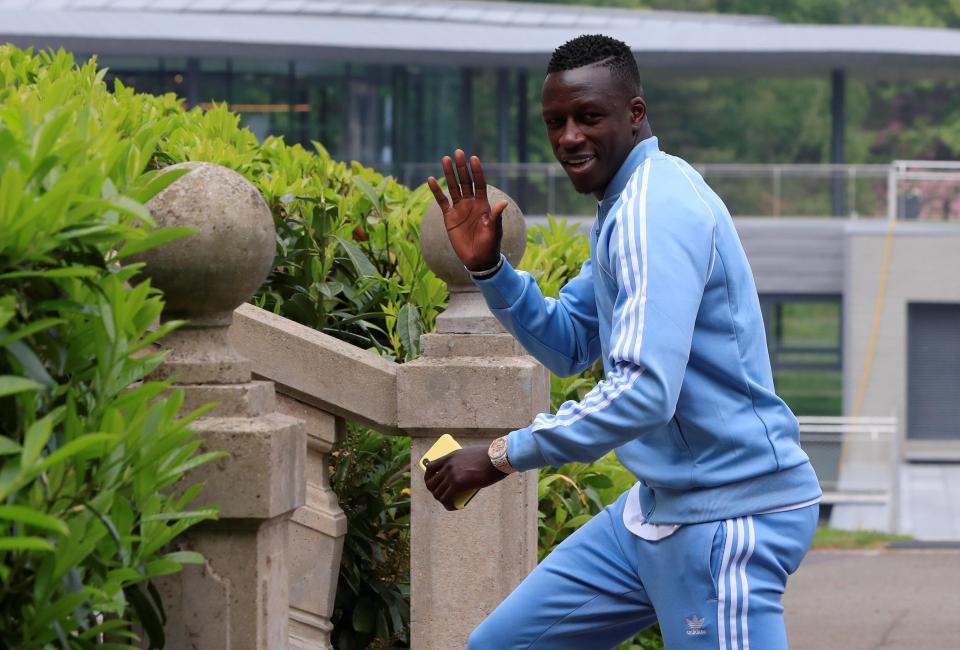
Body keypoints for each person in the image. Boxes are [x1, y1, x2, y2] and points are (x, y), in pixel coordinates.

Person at [423, 34, 821, 650]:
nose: (568, 138)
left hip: (728, 517)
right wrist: (491, 271)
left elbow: (643, 394)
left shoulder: (652, 210)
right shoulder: (624, 207)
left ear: (635, 115)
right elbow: (571, 343)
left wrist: (500, 456)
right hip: (657, 510)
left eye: (589, 117)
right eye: (556, 122)